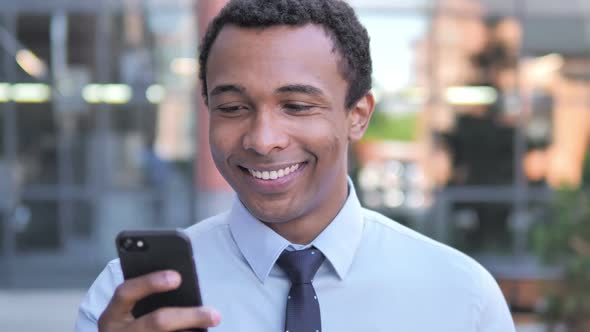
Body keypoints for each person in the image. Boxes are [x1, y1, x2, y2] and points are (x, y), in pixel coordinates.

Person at [75, 0, 515, 331]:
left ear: (357, 115)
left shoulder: (461, 298)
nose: (263, 139)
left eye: (298, 106)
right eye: (232, 107)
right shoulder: (128, 300)